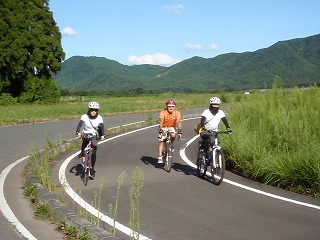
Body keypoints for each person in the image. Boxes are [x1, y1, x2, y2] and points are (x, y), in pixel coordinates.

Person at [76, 101, 106, 178]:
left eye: (95, 110)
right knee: (85, 142)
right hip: (86, 133)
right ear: (89, 110)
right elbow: (80, 125)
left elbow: (102, 127)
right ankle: (82, 152)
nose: (93, 112)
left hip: (94, 135)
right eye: (92, 110)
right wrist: (77, 132)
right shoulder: (84, 116)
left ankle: (92, 169)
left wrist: (103, 135)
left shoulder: (99, 117)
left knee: (94, 152)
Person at [158, 99, 182, 164]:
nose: (171, 108)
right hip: (163, 127)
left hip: (171, 127)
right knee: (162, 141)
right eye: (169, 106)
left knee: (173, 135)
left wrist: (179, 131)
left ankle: (170, 144)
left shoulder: (177, 113)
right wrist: (161, 131)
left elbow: (179, 122)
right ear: (166, 106)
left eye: (172, 106)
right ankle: (160, 157)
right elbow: (161, 122)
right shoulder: (163, 113)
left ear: (174, 107)